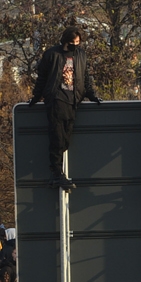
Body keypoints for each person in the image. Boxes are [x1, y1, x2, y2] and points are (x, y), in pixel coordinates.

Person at [30, 25, 100, 191]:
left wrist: (91, 95)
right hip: (56, 99)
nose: (75, 45)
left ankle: (57, 173)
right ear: (65, 41)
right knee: (58, 137)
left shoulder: (81, 55)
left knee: (66, 138)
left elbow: (85, 77)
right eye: (72, 42)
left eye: (78, 42)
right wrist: (37, 96)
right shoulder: (52, 54)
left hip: (73, 100)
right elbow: (42, 77)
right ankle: (56, 172)